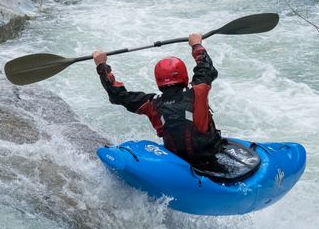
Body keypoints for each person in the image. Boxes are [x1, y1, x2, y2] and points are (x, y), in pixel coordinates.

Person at [92, 33, 224, 168]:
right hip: (211, 158)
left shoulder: (151, 104)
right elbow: (206, 67)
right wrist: (196, 44)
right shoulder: (198, 90)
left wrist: (102, 66)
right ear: (184, 76)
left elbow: (118, 95)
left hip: (178, 161)